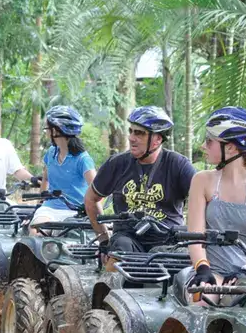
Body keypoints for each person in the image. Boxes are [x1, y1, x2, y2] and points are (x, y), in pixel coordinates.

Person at [185, 107, 246, 291]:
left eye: (209, 141)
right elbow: (195, 238)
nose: (203, 146)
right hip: (213, 270)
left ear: (230, 148)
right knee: (205, 299)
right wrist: (202, 267)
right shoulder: (202, 181)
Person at [83, 105, 197, 256]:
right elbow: (91, 199)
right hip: (126, 239)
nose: (131, 138)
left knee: (179, 263)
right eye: (130, 131)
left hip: (168, 241)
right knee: (121, 250)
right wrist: (104, 240)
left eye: (139, 133)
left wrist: (194, 236)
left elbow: (202, 202)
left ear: (157, 139)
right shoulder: (116, 164)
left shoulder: (178, 165)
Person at [30, 106, 97, 228]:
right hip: (50, 209)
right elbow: (46, 179)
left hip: (76, 212)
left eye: (47, 129)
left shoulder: (83, 159)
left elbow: (97, 189)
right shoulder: (51, 153)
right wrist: (39, 205)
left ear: (56, 131)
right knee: (36, 230)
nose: (46, 132)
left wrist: (94, 213)